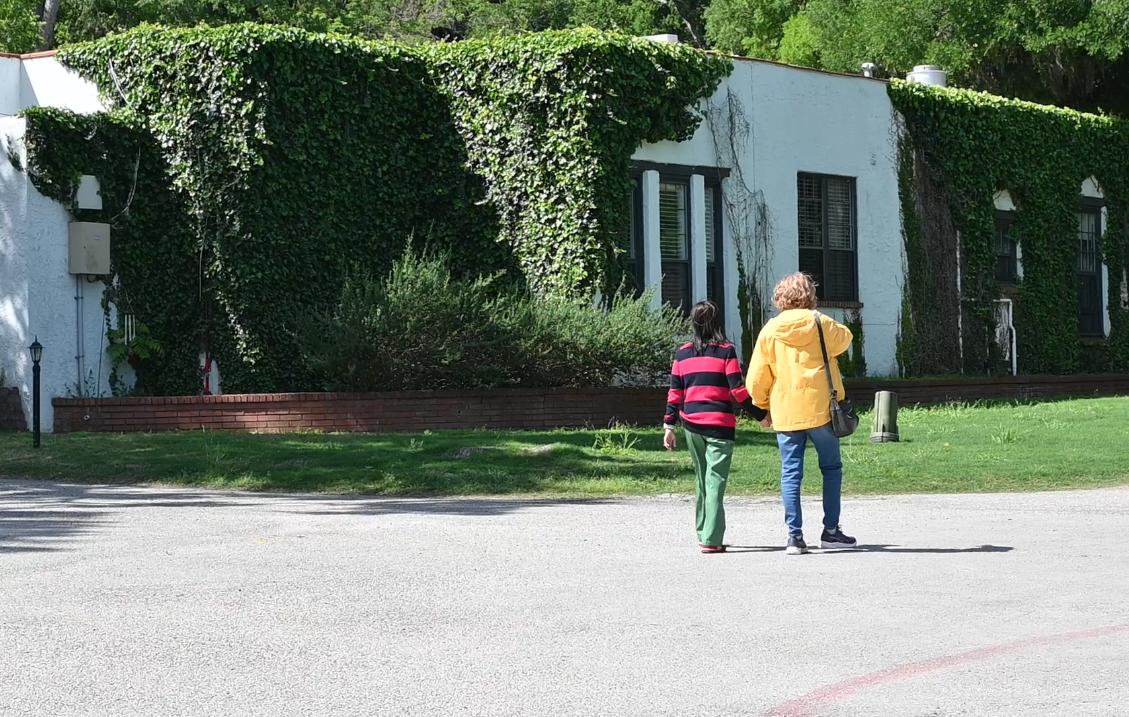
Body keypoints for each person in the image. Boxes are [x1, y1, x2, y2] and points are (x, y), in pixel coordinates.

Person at [747, 273, 858, 555]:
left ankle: (794, 536)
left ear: (780, 297)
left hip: (786, 410)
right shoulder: (820, 323)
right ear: (810, 295)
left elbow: (757, 377)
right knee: (831, 469)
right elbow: (846, 339)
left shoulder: (771, 330)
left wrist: (761, 405)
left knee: (791, 472)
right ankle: (831, 531)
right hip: (822, 408)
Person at [664, 300, 768, 554]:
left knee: (702, 480)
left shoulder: (682, 353)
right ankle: (711, 538)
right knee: (715, 481)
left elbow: (675, 393)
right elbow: (738, 391)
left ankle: (704, 531)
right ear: (718, 322)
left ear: (693, 323)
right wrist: (760, 415)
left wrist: (669, 426)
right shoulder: (726, 351)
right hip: (720, 426)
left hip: (692, 426)